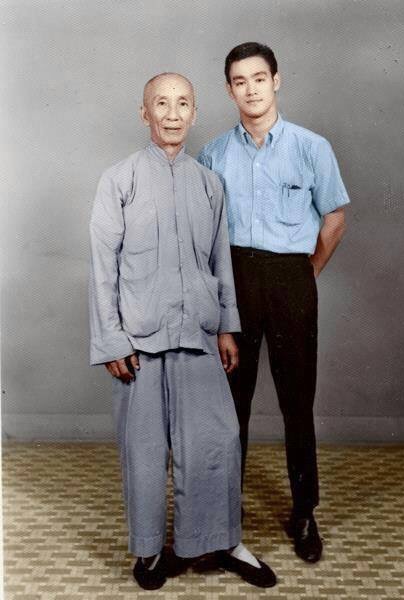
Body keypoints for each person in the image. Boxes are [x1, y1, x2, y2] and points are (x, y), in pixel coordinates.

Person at [89, 72, 276, 589]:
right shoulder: (119, 180)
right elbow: (103, 266)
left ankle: (219, 540)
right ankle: (149, 552)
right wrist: (111, 339)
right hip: (139, 342)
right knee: (145, 451)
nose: (173, 114)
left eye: (183, 104)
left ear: (195, 113)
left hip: (198, 334)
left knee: (215, 441)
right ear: (144, 113)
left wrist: (226, 330)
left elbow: (220, 264)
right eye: (161, 104)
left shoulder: (208, 184)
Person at [198, 42, 350, 564]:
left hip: (290, 279)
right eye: (239, 81)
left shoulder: (311, 147)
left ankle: (304, 511)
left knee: (296, 404)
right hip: (235, 279)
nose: (251, 89)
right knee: (228, 407)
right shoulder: (215, 153)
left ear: (277, 80)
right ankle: (223, 515)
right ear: (229, 89)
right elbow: (204, 233)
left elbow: (333, 220)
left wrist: (303, 274)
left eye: (259, 78)